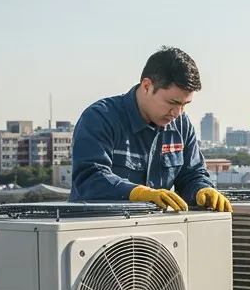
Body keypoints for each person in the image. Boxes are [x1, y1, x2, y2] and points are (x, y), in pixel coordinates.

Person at [69, 46, 232, 213]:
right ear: (146, 86)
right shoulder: (100, 118)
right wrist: (137, 193)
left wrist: (202, 189)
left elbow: (192, 175)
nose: (177, 113)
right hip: (100, 225)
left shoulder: (181, 125)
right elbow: (90, 179)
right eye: (172, 102)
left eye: (185, 105)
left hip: (154, 228)